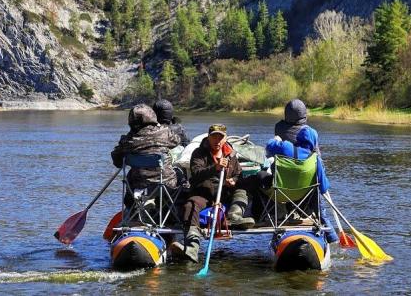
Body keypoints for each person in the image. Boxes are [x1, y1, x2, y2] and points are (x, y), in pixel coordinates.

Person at [172, 124, 255, 263]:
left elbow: (238, 174)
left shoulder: (230, 154)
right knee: (190, 205)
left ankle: (234, 217)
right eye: (214, 137)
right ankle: (192, 247)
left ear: (225, 138)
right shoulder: (199, 153)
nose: (217, 140)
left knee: (242, 190)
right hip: (204, 193)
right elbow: (196, 174)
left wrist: (233, 180)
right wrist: (215, 168)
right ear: (208, 137)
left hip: (225, 193)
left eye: (220, 137)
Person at [265, 126, 339, 244]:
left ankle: (268, 216)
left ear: (298, 139)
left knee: (260, 178)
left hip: (280, 194)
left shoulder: (286, 147)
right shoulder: (315, 159)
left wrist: (276, 140)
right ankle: (332, 237)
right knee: (316, 191)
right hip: (303, 198)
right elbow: (324, 188)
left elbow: (269, 146)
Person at [110, 104, 178, 190]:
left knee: (131, 174)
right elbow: (176, 141)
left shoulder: (128, 140)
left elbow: (117, 162)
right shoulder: (165, 132)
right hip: (166, 185)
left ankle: (132, 202)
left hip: (138, 185)